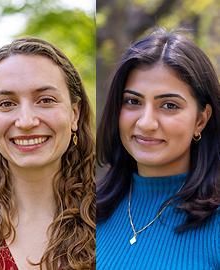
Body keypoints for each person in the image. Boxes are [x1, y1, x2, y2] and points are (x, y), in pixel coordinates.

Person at [96, 29, 220, 269]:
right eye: (133, 101)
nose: (146, 123)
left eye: (169, 105)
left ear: (201, 120)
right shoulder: (89, 210)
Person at [0, 37, 96, 269]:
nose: (26, 121)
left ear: (74, 114)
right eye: (7, 103)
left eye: (45, 100)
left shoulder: (112, 214)